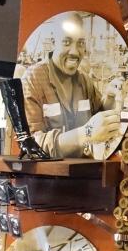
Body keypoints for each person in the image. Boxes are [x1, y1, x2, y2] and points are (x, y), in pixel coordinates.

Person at [20, 19, 121, 158]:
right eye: (66, 42)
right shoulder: (32, 79)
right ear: (54, 43)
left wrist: (110, 97)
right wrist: (85, 133)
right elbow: (30, 145)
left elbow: (98, 115)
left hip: (85, 167)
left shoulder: (84, 80)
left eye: (80, 43)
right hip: (50, 170)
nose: (75, 52)